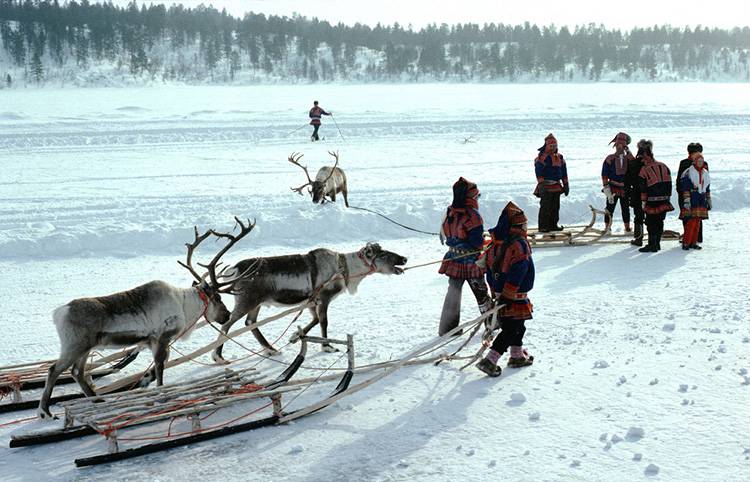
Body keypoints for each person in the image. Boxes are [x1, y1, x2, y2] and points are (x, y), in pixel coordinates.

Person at [476, 201, 535, 377]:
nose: (526, 227)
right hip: (513, 295)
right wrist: (508, 294)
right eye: (524, 224)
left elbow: (489, 270)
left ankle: (516, 356)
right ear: (517, 226)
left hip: (505, 294)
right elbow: (519, 270)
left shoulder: (495, 244)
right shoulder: (519, 244)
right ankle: (490, 360)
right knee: (511, 330)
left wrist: (496, 291)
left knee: (519, 327)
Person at [438, 177, 491, 336]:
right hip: (471, 261)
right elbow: (476, 242)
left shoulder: (449, 211)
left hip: (453, 258)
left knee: (453, 292)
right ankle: (492, 323)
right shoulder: (473, 215)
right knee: (481, 292)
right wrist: (486, 242)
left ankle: (448, 328)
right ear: (471, 197)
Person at [637, 139, 674, 253]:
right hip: (664, 200)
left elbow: (642, 188)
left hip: (652, 201)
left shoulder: (644, 170)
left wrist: (643, 202)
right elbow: (669, 183)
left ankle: (652, 245)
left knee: (651, 223)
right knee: (660, 222)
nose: (641, 161)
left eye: (642, 158)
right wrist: (667, 197)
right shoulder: (664, 166)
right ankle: (657, 243)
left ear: (645, 156)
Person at [534, 133, 569, 232]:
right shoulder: (542, 157)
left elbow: (564, 172)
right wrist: (541, 184)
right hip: (545, 186)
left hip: (557, 186)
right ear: (547, 146)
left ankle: (553, 225)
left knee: (555, 207)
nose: (553, 148)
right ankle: (543, 226)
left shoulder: (560, 157)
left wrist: (566, 184)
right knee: (545, 207)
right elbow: (538, 171)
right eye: (551, 146)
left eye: (555, 146)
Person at [601, 132, 635, 231]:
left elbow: (634, 164)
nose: (619, 147)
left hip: (625, 187)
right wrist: (606, 187)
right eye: (618, 145)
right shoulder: (609, 158)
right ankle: (607, 227)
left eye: (622, 145)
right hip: (612, 187)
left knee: (625, 208)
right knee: (609, 207)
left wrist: (628, 152)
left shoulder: (628, 158)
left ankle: (627, 227)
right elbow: (604, 173)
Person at [677, 143, 709, 246]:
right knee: (698, 216)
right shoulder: (704, 163)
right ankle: (697, 238)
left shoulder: (684, 163)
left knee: (688, 218)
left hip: (687, 194)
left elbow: (679, 181)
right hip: (700, 194)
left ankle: (688, 239)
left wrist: (681, 194)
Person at [624, 140, 646, 245]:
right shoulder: (650, 163)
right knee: (652, 217)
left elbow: (627, 180)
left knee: (638, 216)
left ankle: (638, 238)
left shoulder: (634, 164)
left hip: (637, 194)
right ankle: (653, 240)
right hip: (650, 193)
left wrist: (627, 194)